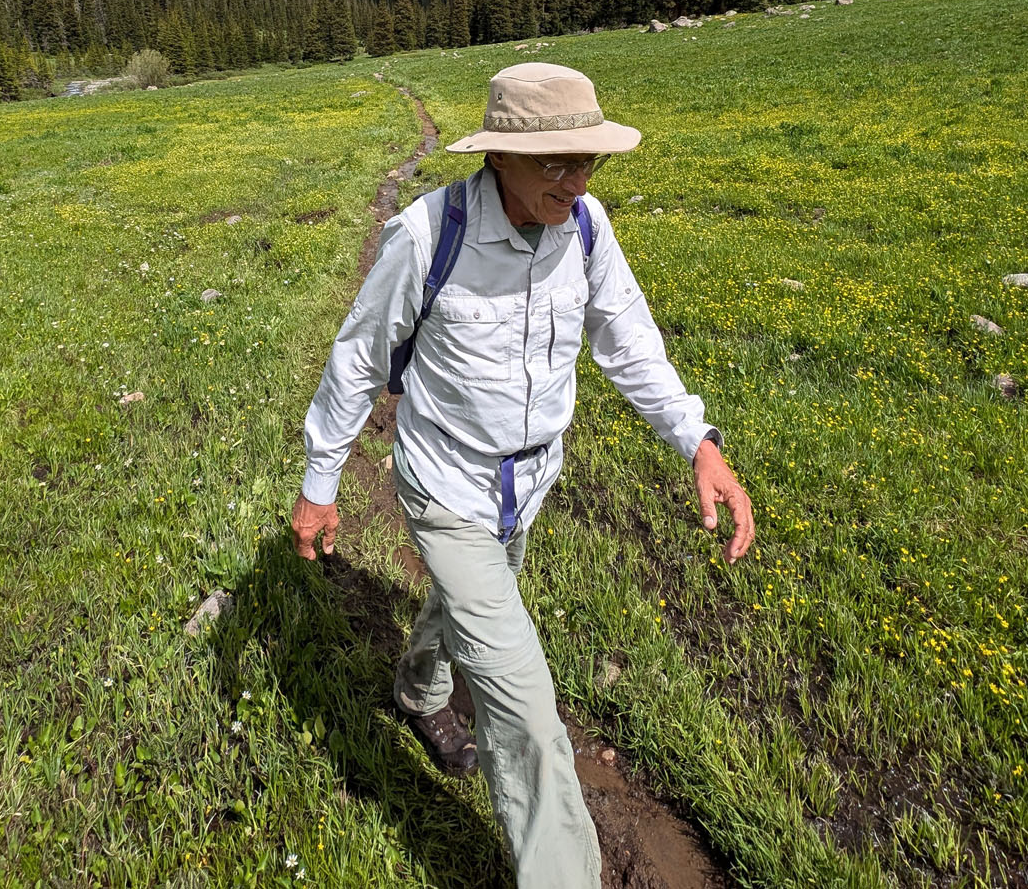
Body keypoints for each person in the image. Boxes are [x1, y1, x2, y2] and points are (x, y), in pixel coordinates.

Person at [292, 61, 755, 888]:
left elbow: (627, 337)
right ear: (499, 155)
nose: (577, 182)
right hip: (446, 485)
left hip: (530, 485)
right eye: (556, 163)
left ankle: (419, 692)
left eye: (589, 161)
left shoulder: (585, 227)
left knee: (467, 602)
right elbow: (360, 358)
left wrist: (700, 443)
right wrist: (320, 483)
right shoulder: (427, 235)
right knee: (527, 715)